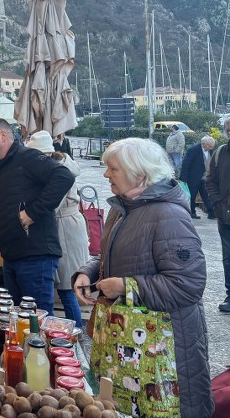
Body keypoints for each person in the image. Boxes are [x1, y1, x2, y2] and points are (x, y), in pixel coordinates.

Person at [73, 138, 213, 418]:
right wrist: (88, 272)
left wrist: (126, 286)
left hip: (164, 352)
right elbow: (113, 256)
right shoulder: (122, 208)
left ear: (139, 174)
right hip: (129, 346)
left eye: (113, 168)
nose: (106, 174)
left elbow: (187, 285)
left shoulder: (169, 215)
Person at [0, 119, 74, 314]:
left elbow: (64, 177)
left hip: (34, 255)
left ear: (3, 136)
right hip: (11, 254)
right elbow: (5, 204)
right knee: (15, 319)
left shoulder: (27, 157)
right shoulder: (0, 166)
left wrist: (32, 213)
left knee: (36, 320)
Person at [26, 130, 88, 327]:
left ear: (46, 154)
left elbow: (51, 204)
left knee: (67, 288)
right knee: (65, 287)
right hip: (65, 225)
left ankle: (76, 333)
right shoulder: (57, 166)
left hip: (65, 229)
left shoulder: (60, 172)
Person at [206, 117, 230, 312]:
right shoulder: (220, 153)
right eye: (228, 130)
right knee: (228, 258)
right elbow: (210, 181)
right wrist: (218, 205)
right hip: (226, 215)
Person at [181, 135, 216, 220]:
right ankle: (192, 213)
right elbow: (186, 164)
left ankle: (212, 213)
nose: (211, 148)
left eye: (212, 146)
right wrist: (183, 179)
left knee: (207, 195)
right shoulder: (193, 150)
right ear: (204, 144)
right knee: (192, 195)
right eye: (210, 146)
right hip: (193, 178)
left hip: (205, 178)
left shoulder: (211, 151)